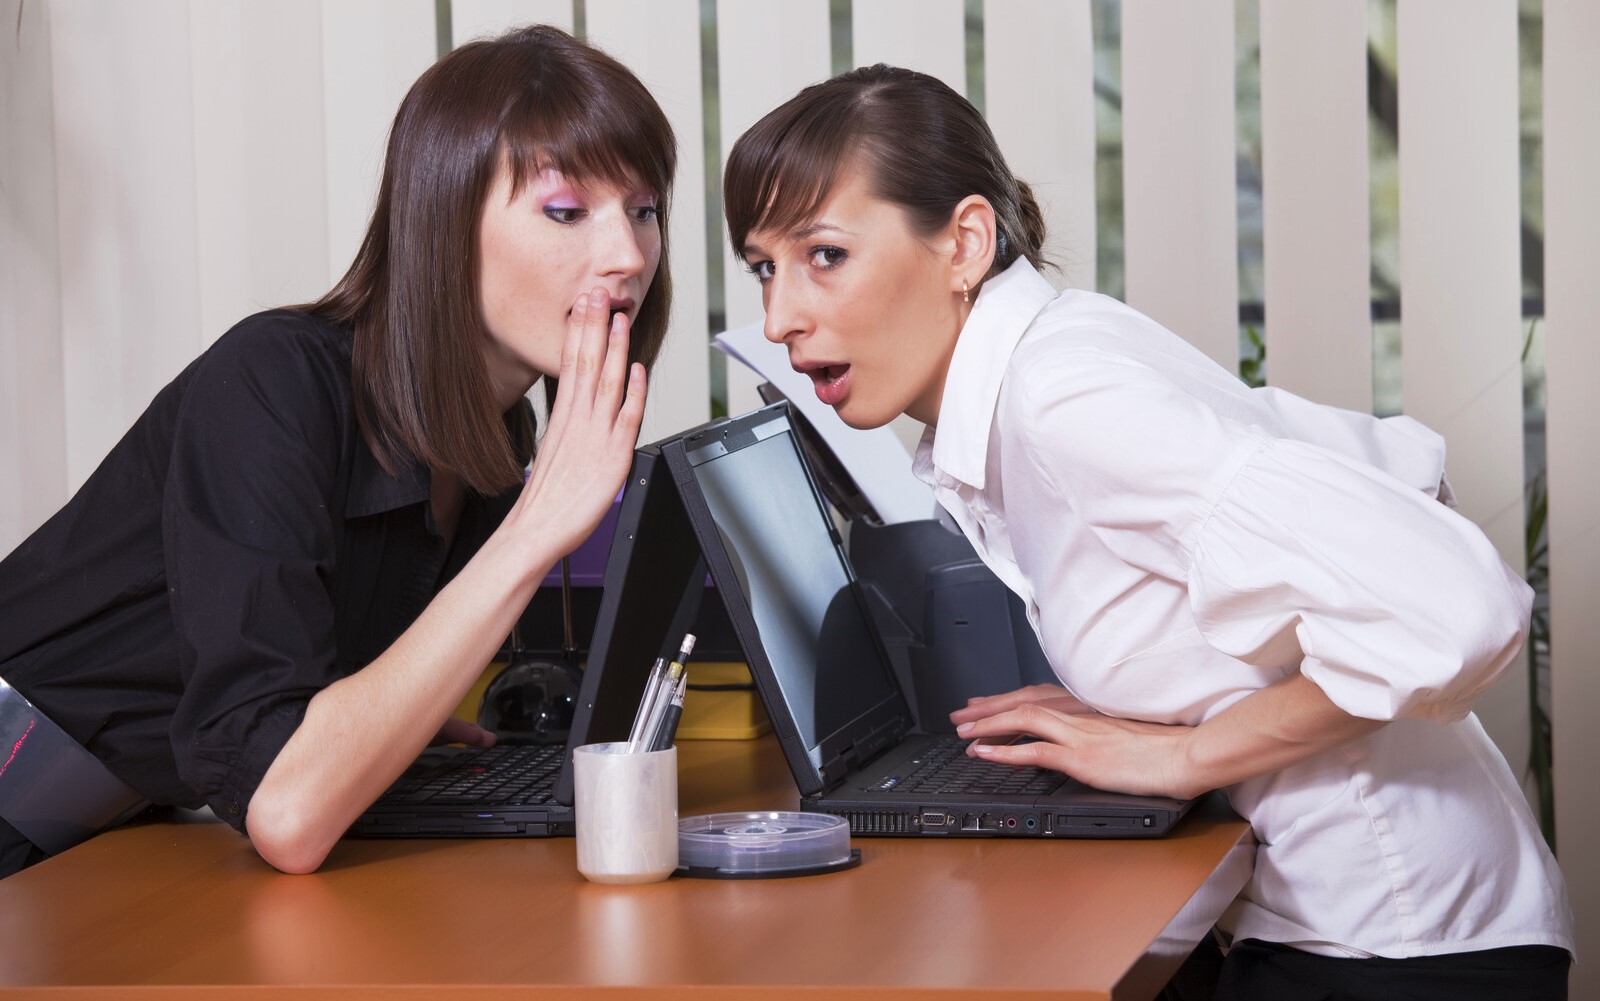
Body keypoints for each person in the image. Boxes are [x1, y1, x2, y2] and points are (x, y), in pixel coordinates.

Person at [722, 64, 1573, 998]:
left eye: (825, 255)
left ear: (964, 243)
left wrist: (1182, 753)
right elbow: (1374, 466)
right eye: (766, 268)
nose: (780, 319)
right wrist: (1178, 703)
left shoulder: (1064, 397)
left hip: (1402, 940)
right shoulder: (1049, 363)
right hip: (1346, 917)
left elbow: (1461, 607)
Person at [0, 24, 674, 878]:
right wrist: (537, 528)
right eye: (566, 211)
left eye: (643, 210)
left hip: (122, 833)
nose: (627, 257)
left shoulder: (493, 438)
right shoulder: (270, 384)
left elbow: (287, 731)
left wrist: (390, 720)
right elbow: (285, 808)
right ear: (443, 223)